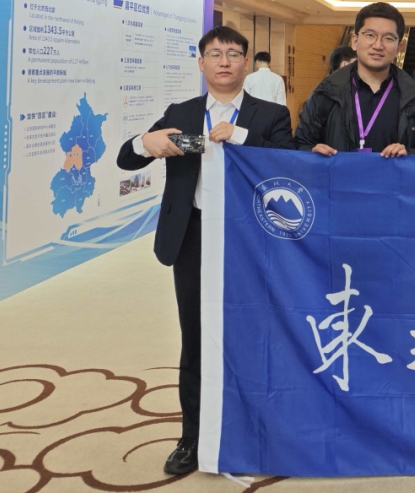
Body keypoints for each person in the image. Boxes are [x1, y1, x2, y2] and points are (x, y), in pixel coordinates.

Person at [116, 26, 296, 476]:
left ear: (246, 63)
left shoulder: (270, 114)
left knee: (255, 333)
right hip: (193, 236)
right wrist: (144, 143)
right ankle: (191, 437)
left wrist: (239, 136)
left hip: (250, 239)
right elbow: (127, 158)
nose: (224, 61)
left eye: (233, 54)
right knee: (196, 338)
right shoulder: (181, 112)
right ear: (201, 63)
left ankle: (258, 431)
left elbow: (289, 163)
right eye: (215, 54)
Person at [294, 2, 415, 157]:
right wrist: (311, 152)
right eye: (370, 35)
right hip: (339, 174)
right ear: (354, 41)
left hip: (393, 174)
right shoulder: (326, 93)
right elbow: (299, 145)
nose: (378, 45)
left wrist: (410, 154)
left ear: (399, 47)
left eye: (388, 38)